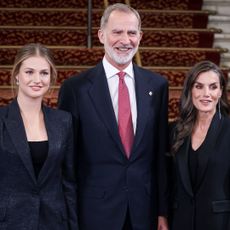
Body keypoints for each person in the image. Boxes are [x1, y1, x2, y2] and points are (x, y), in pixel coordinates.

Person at [58, 3, 169, 230]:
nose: (125, 40)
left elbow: (160, 156)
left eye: (131, 32)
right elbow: (67, 162)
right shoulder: (75, 89)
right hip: (94, 214)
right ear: (101, 35)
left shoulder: (157, 86)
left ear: (140, 36)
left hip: (143, 212)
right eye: (117, 32)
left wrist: (162, 212)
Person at [0, 43, 78, 229]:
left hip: (53, 222)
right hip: (9, 222)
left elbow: (68, 181)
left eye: (44, 73)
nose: (37, 79)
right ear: (17, 76)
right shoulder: (1, 119)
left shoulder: (63, 121)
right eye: (29, 72)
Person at [169, 60, 230, 230]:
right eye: (199, 86)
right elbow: (169, 182)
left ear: (220, 92)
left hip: (219, 223)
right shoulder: (174, 131)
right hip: (181, 222)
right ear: (190, 90)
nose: (206, 94)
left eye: (213, 87)